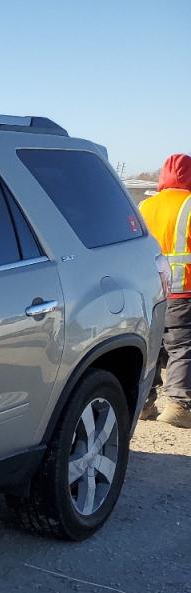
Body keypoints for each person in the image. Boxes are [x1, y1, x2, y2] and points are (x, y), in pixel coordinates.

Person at [139, 153, 191, 428]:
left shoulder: (145, 205)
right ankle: (178, 406)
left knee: (151, 346)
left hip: (151, 293)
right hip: (183, 290)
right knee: (181, 346)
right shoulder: (190, 204)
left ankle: (143, 404)